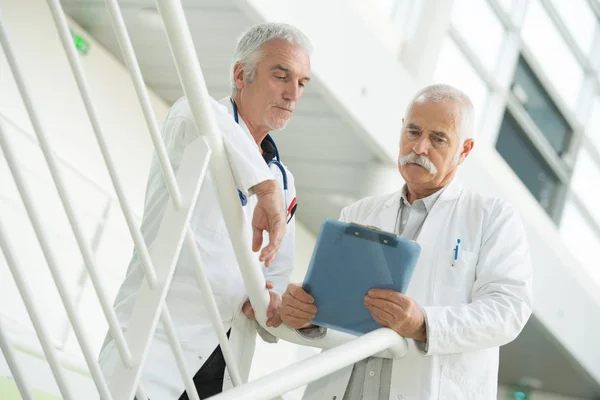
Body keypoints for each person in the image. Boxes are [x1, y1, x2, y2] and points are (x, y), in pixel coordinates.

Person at [98, 22, 312, 400]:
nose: (292, 94)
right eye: (281, 76)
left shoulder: (285, 182)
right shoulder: (192, 121)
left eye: (301, 83)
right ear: (239, 74)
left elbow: (275, 274)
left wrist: (271, 303)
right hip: (155, 350)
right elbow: (203, 117)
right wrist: (264, 190)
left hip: (222, 368)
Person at [280, 84, 533, 400]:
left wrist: (424, 324)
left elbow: (508, 310)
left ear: (465, 150)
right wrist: (307, 318)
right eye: (413, 132)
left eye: (438, 139)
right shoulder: (358, 213)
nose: (420, 147)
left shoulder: (491, 217)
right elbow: (335, 313)